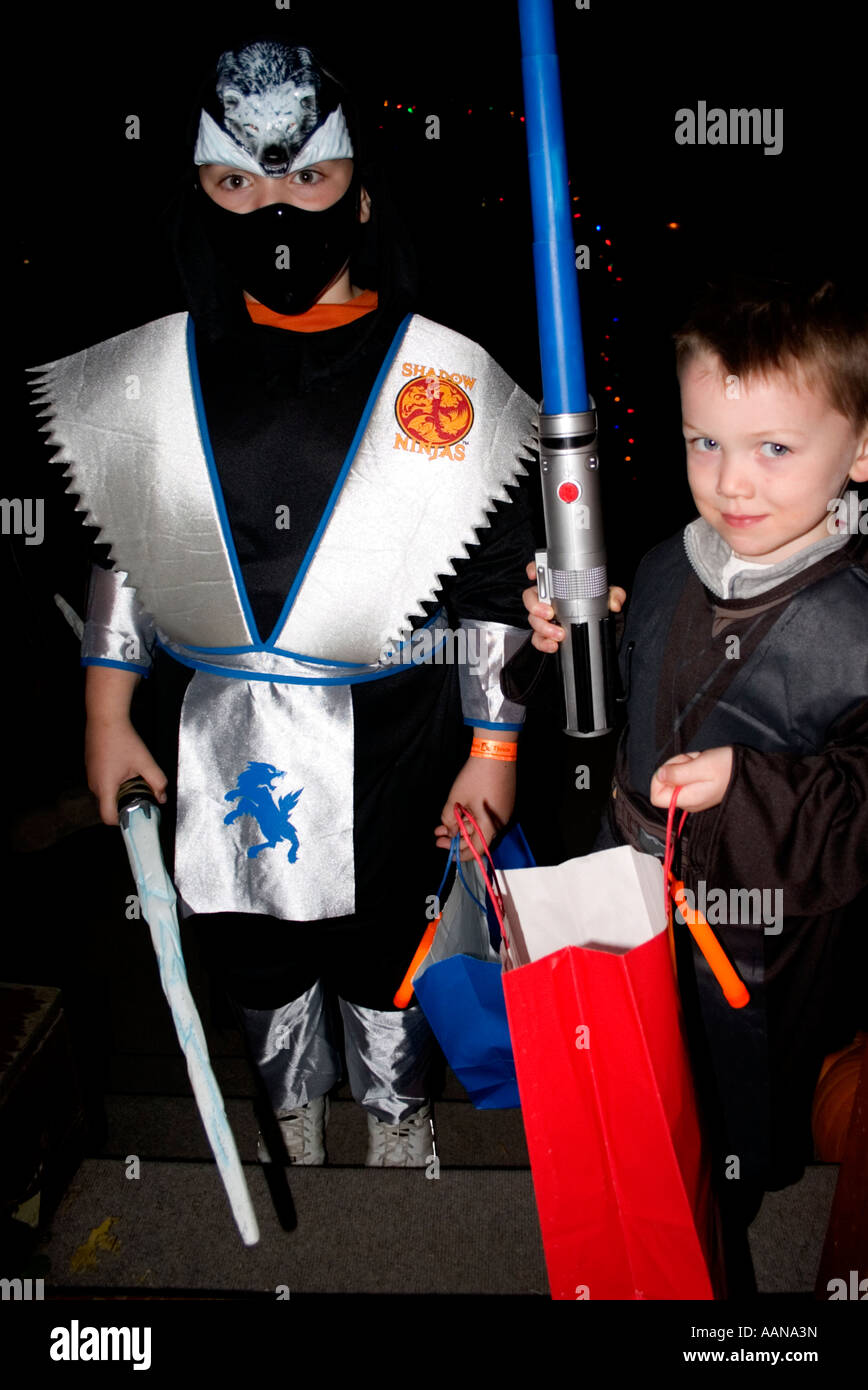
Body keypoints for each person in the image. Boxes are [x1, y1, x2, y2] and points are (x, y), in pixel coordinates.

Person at [31, 35, 538, 1167]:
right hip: (226, 729)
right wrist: (107, 713)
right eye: (236, 181)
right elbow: (128, 545)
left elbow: (501, 568)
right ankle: (289, 1110)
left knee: (386, 942)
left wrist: (493, 743)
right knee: (252, 941)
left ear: (358, 195)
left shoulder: (437, 377)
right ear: (199, 197)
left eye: (306, 176)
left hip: (396, 727)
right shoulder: (161, 376)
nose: (274, 205)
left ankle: (397, 1111)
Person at [522, 273, 868, 1230]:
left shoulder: (856, 621)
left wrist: (748, 786)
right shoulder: (666, 562)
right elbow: (627, 708)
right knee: (633, 1085)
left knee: (728, 1110)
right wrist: (570, 641)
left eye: (775, 448)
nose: (731, 481)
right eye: (704, 441)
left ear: (862, 449)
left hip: (759, 935)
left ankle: (722, 1226)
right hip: (632, 888)